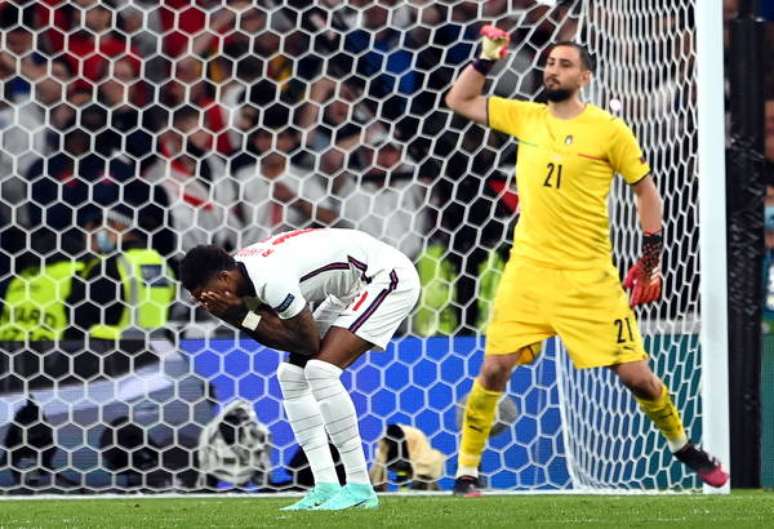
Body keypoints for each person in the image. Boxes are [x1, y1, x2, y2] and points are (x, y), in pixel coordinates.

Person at [444, 26, 729, 495]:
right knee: (494, 369)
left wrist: (651, 258)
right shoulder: (526, 116)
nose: (553, 70)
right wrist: (487, 57)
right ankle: (466, 472)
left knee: (638, 379)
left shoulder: (609, 130)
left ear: (586, 77)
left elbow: (646, 191)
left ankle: (683, 447)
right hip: (529, 272)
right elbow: (461, 99)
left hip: (588, 277)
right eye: (550, 63)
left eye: (564, 64)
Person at [179, 228, 420, 510]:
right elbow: (273, 331)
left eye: (205, 294)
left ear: (223, 278)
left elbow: (306, 343)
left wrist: (238, 315)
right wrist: (239, 316)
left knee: (321, 371)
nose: (206, 302)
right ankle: (326, 486)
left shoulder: (270, 279)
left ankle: (359, 486)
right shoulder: (241, 279)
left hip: (386, 277)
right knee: (291, 376)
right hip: (350, 287)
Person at [67, 203, 175, 341]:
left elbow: (78, 318)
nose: (92, 232)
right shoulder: (162, 264)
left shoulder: (112, 265)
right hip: (155, 352)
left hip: (112, 352)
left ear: (118, 225)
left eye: (97, 224)